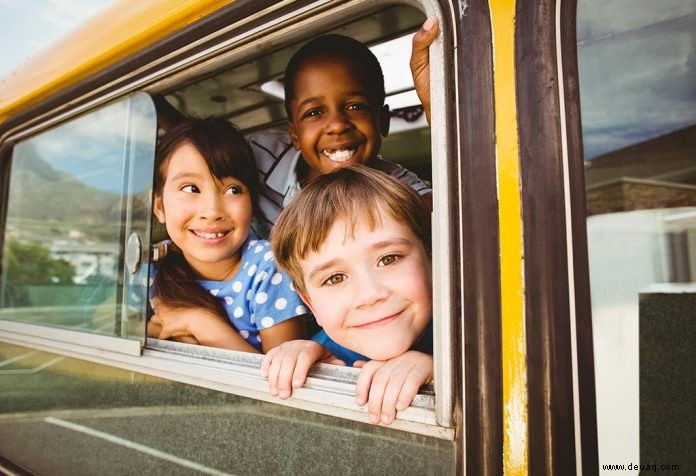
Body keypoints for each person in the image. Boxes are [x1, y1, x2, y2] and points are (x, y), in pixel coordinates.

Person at [261, 165, 433, 426]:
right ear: (311, 305)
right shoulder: (323, 359)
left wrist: (443, 374)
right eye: (335, 278)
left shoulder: (477, 332)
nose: (370, 295)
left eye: (389, 259)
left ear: (433, 261)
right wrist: (297, 369)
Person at [249, 18, 439, 235]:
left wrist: (436, 106)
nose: (338, 125)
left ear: (383, 121)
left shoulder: (397, 185)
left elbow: (453, 214)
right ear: (295, 135)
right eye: (314, 112)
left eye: (356, 106)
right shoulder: (259, 157)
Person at [147, 117, 307, 352]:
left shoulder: (268, 267)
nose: (212, 211)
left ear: (252, 205)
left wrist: (200, 323)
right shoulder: (151, 265)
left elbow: (281, 380)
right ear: (160, 207)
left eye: (233, 190)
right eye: (191, 188)